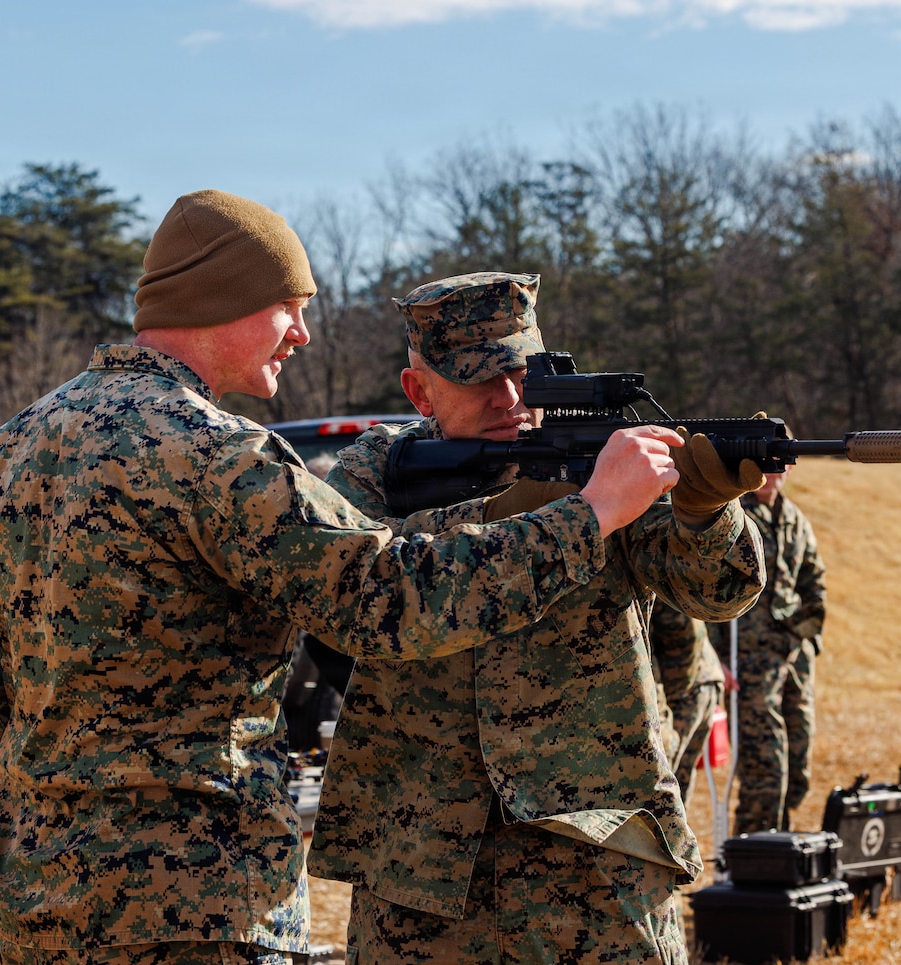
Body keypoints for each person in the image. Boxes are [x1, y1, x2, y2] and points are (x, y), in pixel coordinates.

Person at [0, 192, 683, 965]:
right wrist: (588, 514)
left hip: (39, 895)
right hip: (197, 903)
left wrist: (39, 801)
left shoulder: (16, 443)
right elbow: (392, 599)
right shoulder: (216, 455)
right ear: (225, 299)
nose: (302, 333)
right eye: (289, 306)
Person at [308, 271, 768, 964]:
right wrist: (559, 515)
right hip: (421, 867)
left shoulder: (597, 462)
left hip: (596, 856)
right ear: (419, 389)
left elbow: (714, 590)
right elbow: (356, 592)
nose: (510, 399)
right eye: (477, 380)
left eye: (523, 374)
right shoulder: (375, 472)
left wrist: (706, 512)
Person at [715, 456, 827, 834]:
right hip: (747, 657)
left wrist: (808, 637)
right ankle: (752, 852)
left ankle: (780, 843)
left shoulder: (795, 519)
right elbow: (703, 588)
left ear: (790, 470)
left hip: (793, 657)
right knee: (764, 765)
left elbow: (813, 580)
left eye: (780, 466)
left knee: (798, 764)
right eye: (765, 465)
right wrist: (715, 658)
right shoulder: (731, 516)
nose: (771, 475)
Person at [646, 598, 725, 801]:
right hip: (698, 681)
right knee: (674, 790)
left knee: (661, 791)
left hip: (685, 690)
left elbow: (683, 629)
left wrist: (668, 704)